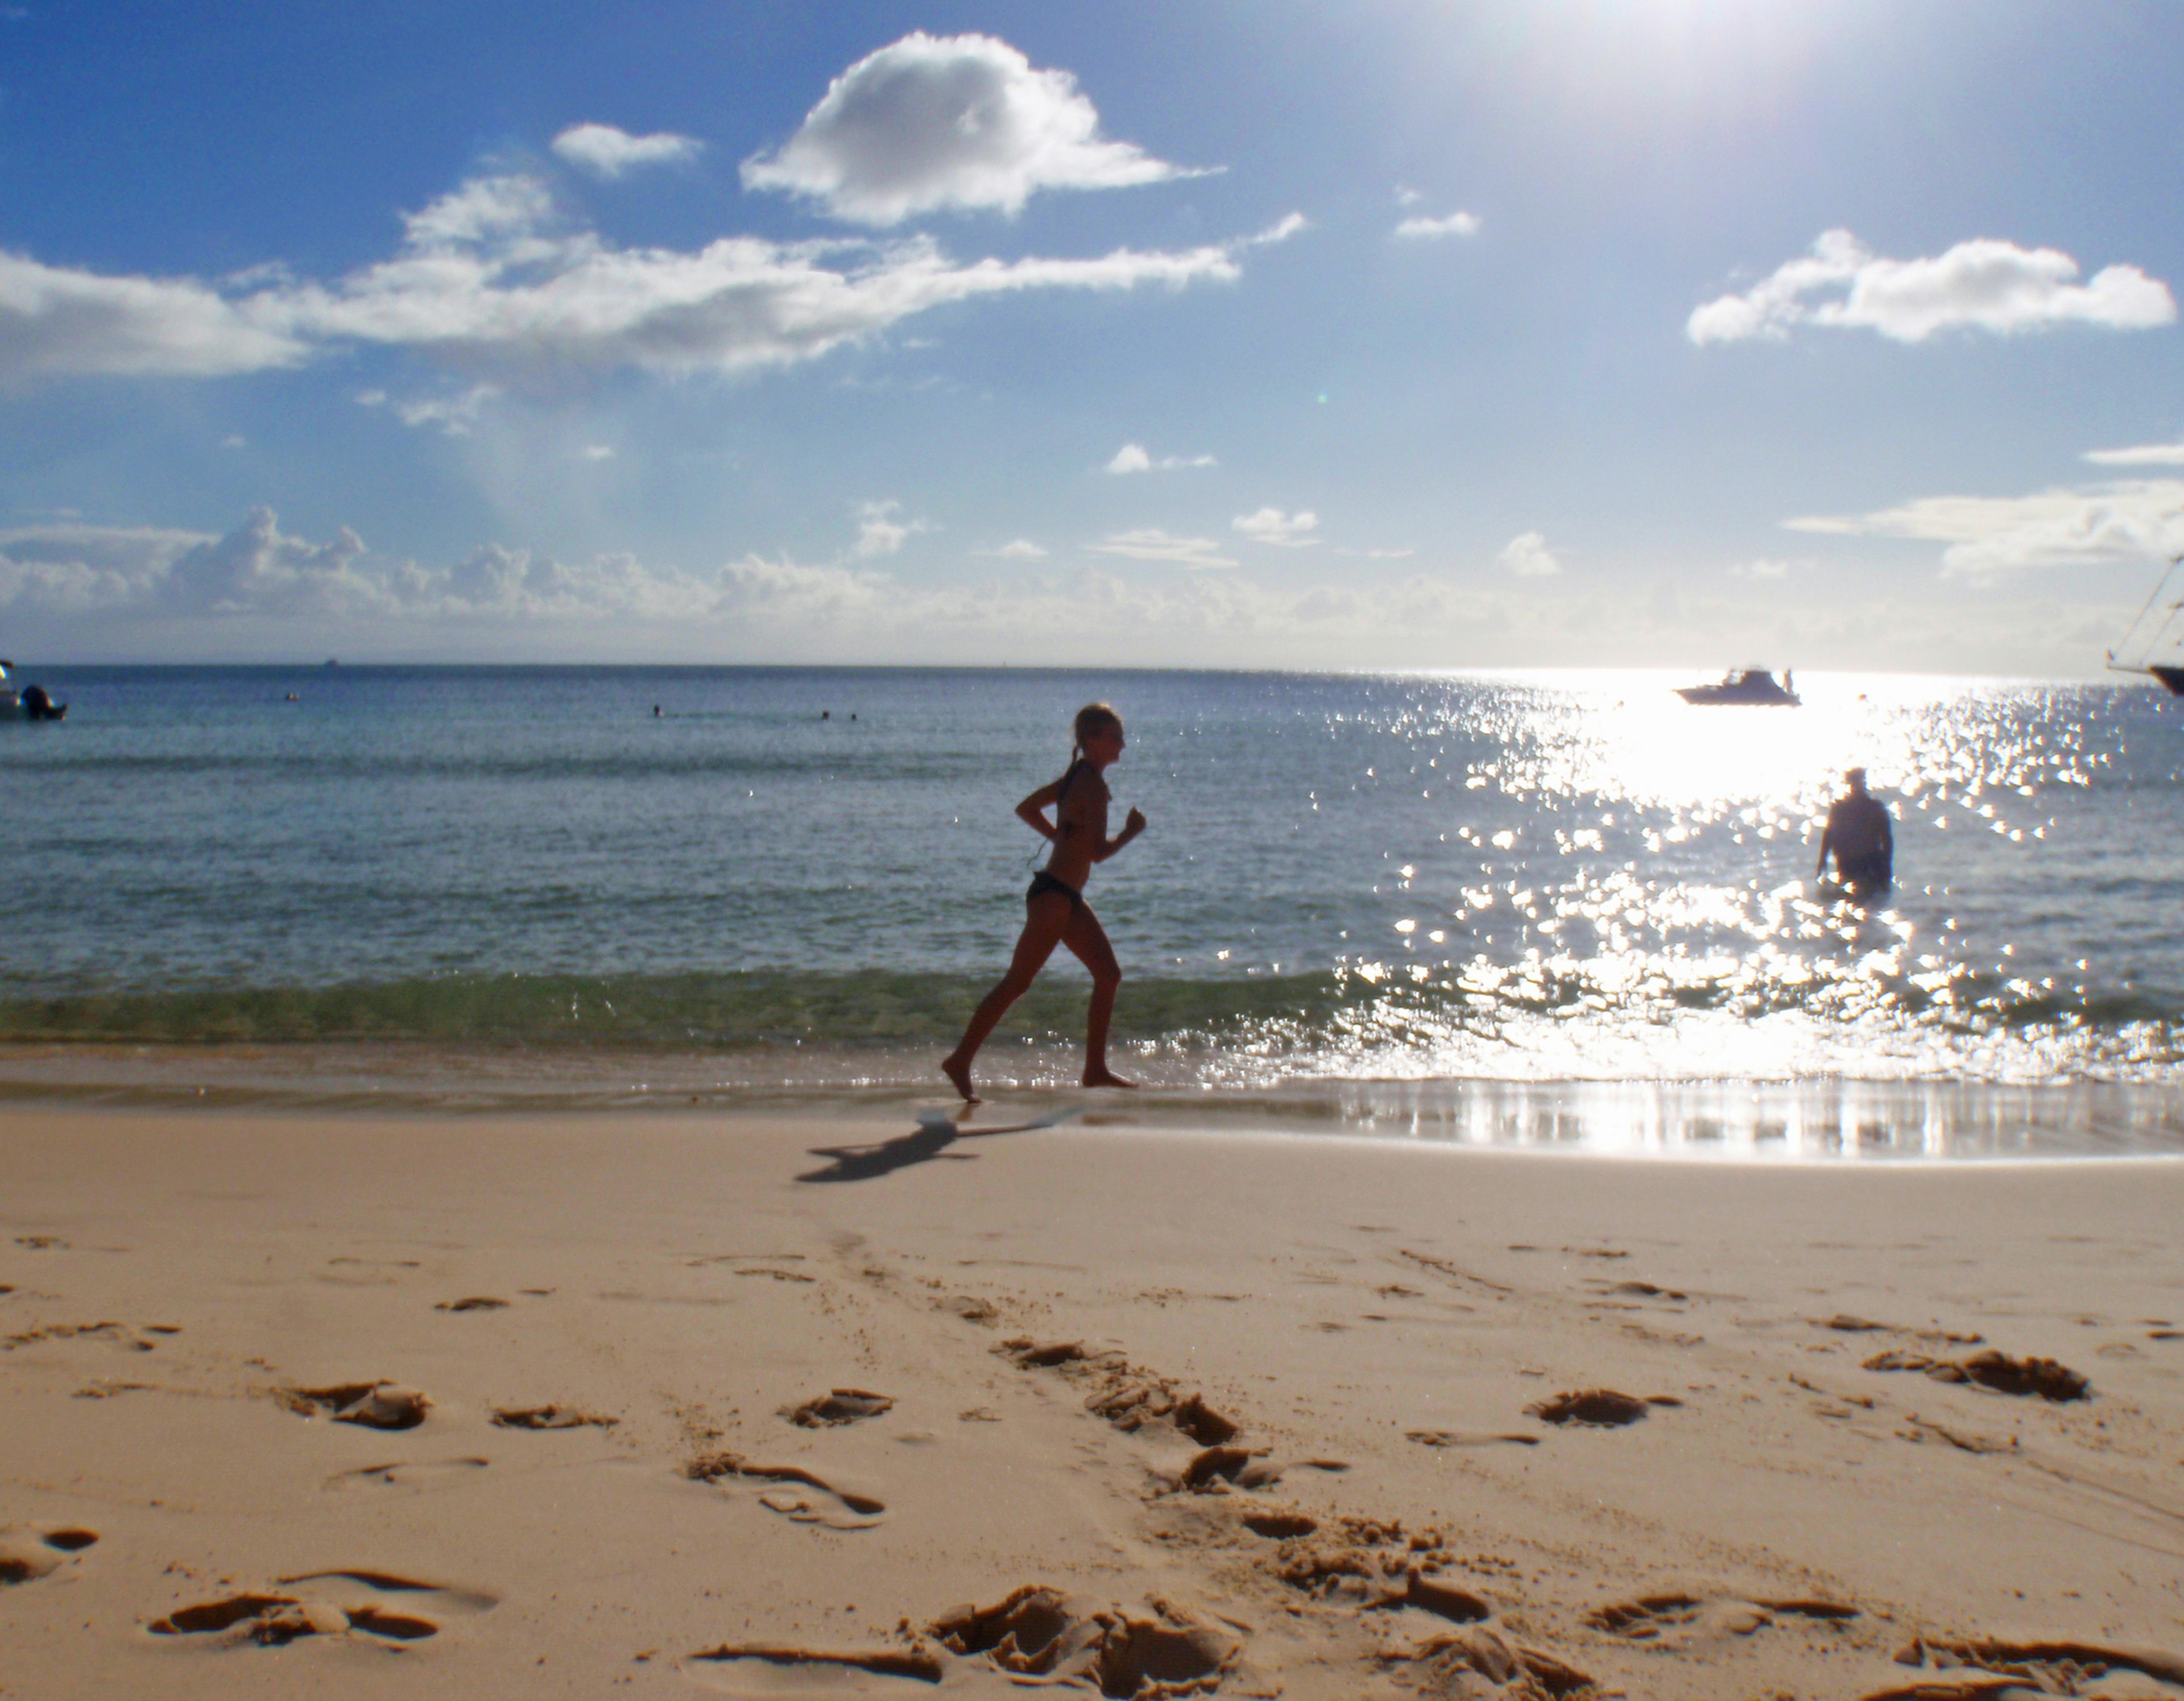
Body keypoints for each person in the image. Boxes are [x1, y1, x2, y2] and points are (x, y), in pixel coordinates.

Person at [942, 702, 1147, 1103]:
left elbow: (1026, 808)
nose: (1122, 742)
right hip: (1055, 897)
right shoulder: (1091, 784)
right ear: (1092, 741)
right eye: (1114, 736)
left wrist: (1059, 838)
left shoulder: (1076, 777)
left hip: (1061, 895)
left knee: (1108, 974)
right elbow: (1099, 854)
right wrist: (1131, 832)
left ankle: (1094, 1069)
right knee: (1018, 983)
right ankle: (961, 1060)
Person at [1816, 767, 1893, 894]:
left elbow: (1887, 838)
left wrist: (1886, 864)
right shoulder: (1841, 808)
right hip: (1851, 862)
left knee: (1862, 895)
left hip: (1869, 861)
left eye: (1860, 782)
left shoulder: (1874, 808)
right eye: (1856, 783)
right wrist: (1822, 861)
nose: (1858, 786)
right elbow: (1828, 835)